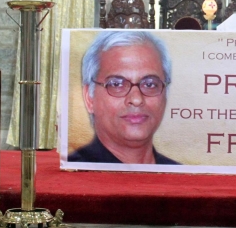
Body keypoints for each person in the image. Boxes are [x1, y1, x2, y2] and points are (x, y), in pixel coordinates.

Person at [69, 31, 179, 165]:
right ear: (89, 98)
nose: (137, 99)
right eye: (117, 84)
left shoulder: (179, 172)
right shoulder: (76, 173)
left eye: (150, 84)